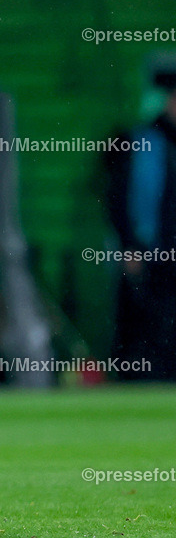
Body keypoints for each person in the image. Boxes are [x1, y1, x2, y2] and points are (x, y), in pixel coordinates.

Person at [104, 70, 176, 381]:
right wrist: (130, 245)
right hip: (149, 253)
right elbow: (117, 198)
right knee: (143, 327)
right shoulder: (140, 141)